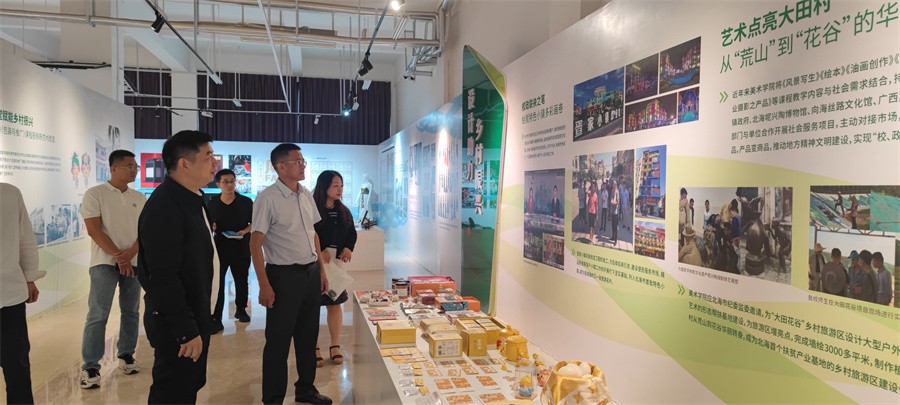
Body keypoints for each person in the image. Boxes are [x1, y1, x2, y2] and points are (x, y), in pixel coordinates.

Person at [138, 130, 219, 404]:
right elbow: (162, 276)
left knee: (187, 386)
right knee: (172, 391)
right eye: (208, 156)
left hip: (195, 313)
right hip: (178, 322)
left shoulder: (193, 198)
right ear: (184, 164)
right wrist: (185, 329)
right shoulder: (165, 206)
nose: (215, 163)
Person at [251, 143, 331, 405]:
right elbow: (255, 243)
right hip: (283, 278)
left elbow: (313, 234)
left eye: (303, 161)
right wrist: (264, 285)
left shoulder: (305, 194)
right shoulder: (267, 198)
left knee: (308, 338)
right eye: (297, 161)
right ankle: (273, 398)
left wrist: (321, 270)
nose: (303, 165)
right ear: (281, 167)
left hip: (310, 274)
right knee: (278, 342)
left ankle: (306, 389)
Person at [79, 150, 145, 389]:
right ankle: (90, 366)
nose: (134, 170)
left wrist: (128, 256)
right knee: (98, 314)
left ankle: (126, 354)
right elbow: (94, 230)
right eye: (130, 166)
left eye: (135, 166)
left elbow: (144, 232)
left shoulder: (139, 197)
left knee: (131, 311)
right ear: (114, 168)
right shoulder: (95, 194)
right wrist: (119, 257)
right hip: (103, 264)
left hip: (133, 263)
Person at [0, 183, 45, 404]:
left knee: (16, 365)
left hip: (10, 296)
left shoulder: (9, 193)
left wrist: (29, 277)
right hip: (10, 293)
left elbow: (25, 238)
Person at [312, 170, 357, 368]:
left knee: (334, 304)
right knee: (312, 307)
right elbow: (307, 233)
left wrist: (348, 247)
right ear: (324, 187)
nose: (340, 190)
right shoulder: (312, 208)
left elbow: (351, 233)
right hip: (315, 264)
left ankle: (335, 346)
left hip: (336, 266)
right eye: (335, 186)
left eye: (341, 186)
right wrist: (319, 249)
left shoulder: (343, 211)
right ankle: (313, 347)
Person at [207, 168, 254, 330]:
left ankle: (241, 309)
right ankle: (216, 317)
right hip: (220, 247)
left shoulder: (246, 202)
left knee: (241, 280)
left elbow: (254, 222)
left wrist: (244, 231)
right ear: (218, 184)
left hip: (241, 246)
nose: (229, 185)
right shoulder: (212, 203)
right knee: (218, 282)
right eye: (225, 182)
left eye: (232, 181)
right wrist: (212, 227)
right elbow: (208, 224)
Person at [609, 180, 620, 244]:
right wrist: (611, 201)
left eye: (614, 184)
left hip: (616, 211)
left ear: (615, 185)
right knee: (612, 225)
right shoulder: (612, 191)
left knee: (615, 226)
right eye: (612, 184)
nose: (613, 185)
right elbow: (611, 198)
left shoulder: (617, 192)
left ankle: (616, 239)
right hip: (612, 211)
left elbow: (618, 201)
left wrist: (613, 203)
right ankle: (613, 236)